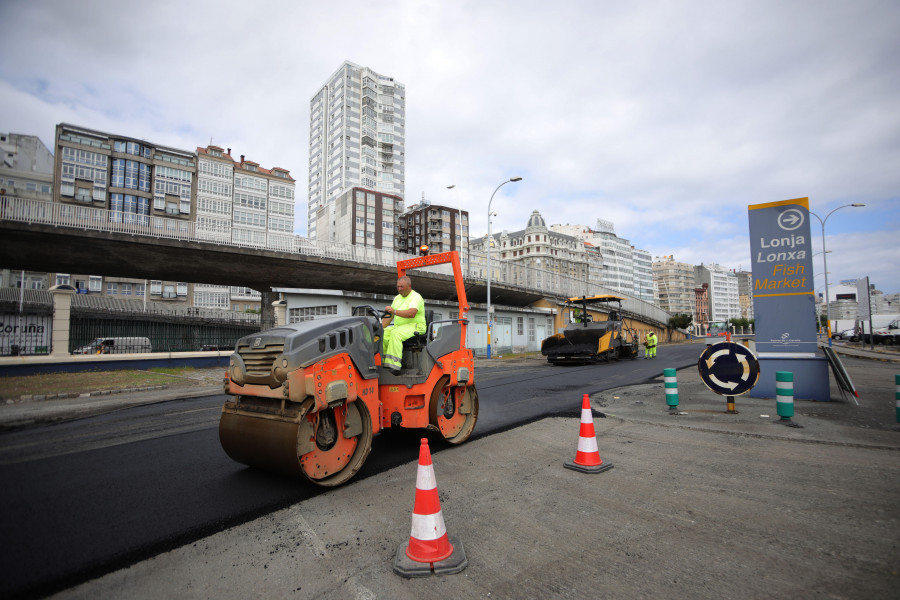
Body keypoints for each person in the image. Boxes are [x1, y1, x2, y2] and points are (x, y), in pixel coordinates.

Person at [381, 275, 426, 375]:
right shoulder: (397, 298)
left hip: (416, 325)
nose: (399, 289)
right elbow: (390, 316)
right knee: (382, 334)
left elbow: (411, 313)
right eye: (398, 287)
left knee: (396, 334)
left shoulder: (416, 297)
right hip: (400, 326)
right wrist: (379, 328)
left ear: (409, 286)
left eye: (402, 287)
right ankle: (383, 363)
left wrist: (394, 311)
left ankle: (394, 367)